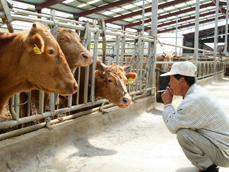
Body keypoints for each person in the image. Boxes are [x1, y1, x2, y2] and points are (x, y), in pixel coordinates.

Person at [160, 61, 229, 172]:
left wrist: (167, 104)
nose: (169, 84)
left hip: (224, 155)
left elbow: (172, 126)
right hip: (224, 148)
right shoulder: (198, 92)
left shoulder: (192, 101)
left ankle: (209, 169)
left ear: (182, 81)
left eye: (171, 80)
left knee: (183, 134)